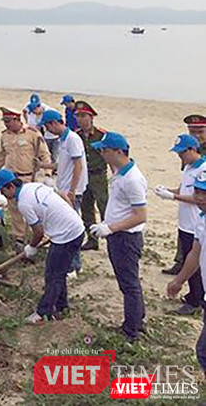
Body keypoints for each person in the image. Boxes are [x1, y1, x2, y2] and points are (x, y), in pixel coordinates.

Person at [0, 169, 85, 324]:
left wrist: (32, 247)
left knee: (52, 274)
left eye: (2, 191)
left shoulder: (24, 203)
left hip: (66, 235)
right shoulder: (34, 186)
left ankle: (43, 313)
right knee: (59, 272)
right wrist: (70, 213)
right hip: (75, 228)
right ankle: (62, 308)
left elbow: (38, 231)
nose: (3, 195)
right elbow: (61, 194)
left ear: (10, 187)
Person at [89, 132, 148, 341]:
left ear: (118, 152)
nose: (102, 154)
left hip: (125, 237)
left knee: (129, 285)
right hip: (117, 234)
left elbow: (140, 215)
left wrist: (111, 228)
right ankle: (137, 320)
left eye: (105, 150)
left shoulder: (132, 179)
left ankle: (131, 330)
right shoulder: (120, 172)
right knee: (129, 282)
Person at [154, 134, 206, 315]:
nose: (180, 157)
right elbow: (184, 189)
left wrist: (174, 197)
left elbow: (198, 198)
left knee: (195, 262)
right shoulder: (189, 167)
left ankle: (195, 300)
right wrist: (169, 191)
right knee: (186, 258)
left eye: (182, 153)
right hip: (184, 222)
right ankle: (194, 295)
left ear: (193, 150)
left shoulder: (203, 169)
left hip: (195, 223)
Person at [0, 106, 53, 247]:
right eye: (4, 121)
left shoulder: (32, 134)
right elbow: (1, 155)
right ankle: (19, 237)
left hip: (27, 177)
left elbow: (44, 154)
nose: (6, 124)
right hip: (10, 178)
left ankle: (40, 237)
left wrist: (47, 174)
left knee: (32, 208)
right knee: (14, 210)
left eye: (9, 121)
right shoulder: (5, 135)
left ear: (17, 119)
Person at [166, 172, 206, 376]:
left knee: (203, 352)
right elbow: (195, 252)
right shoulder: (201, 219)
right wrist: (178, 281)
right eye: (197, 191)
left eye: (204, 193)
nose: (199, 197)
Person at [40, 109, 88, 276]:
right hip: (64, 189)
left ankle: (74, 266)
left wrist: (73, 190)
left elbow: (78, 165)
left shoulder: (73, 139)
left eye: (47, 127)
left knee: (71, 227)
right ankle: (72, 264)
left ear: (53, 123)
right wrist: (42, 166)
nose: (47, 131)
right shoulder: (63, 140)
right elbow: (61, 165)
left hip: (71, 190)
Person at [75, 101, 110, 251]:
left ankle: (110, 238)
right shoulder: (76, 136)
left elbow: (110, 155)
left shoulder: (102, 135)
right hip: (84, 176)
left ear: (91, 117)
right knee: (86, 207)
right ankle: (92, 239)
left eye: (83, 116)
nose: (80, 119)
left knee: (104, 206)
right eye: (78, 116)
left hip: (98, 175)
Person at [24, 94, 61, 162]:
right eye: (32, 111)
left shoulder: (49, 111)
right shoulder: (31, 112)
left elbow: (60, 121)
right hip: (44, 137)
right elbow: (32, 124)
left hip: (55, 137)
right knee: (44, 155)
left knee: (54, 156)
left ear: (39, 106)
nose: (34, 113)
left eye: (34, 111)